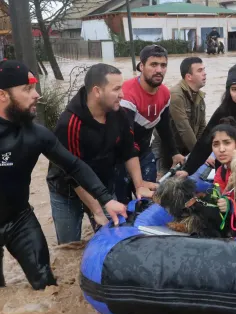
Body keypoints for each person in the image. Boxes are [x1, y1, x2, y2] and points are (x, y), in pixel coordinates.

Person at [0, 60, 127, 290]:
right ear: (2, 95)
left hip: (19, 221)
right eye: (27, 89)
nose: (36, 95)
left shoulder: (37, 134)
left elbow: (75, 166)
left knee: (47, 288)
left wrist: (106, 199)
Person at [46, 64, 155, 244]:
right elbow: (72, 173)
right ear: (97, 91)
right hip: (67, 191)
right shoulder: (70, 123)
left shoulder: (119, 113)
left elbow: (129, 150)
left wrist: (139, 185)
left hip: (103, 186)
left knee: (114, 236)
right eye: (116, 89)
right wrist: (97, 211)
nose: (123, 94)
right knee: (69, 246)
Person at [116, 44, 184, 203]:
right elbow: (127, 141)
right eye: (153, 65)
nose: (159, 70)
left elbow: (164, 127)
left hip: (145, 152)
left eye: (163, 65)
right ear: (141, 66)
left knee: (148, 202)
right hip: (121, 157)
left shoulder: (165, 93)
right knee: (123, 205)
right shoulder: (127, 93)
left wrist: (175, 153)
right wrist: (137, 182)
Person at [152, 57, 212, 180]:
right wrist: (200, 155)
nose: (204, 73)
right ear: (189, 76)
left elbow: (202, 128)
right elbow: (183, 128)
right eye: (200, 70)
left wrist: (206, 149)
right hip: (166, 150)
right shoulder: (176, 94)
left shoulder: (199, 97)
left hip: (185, 149)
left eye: (204, 70)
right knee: (162, 185)